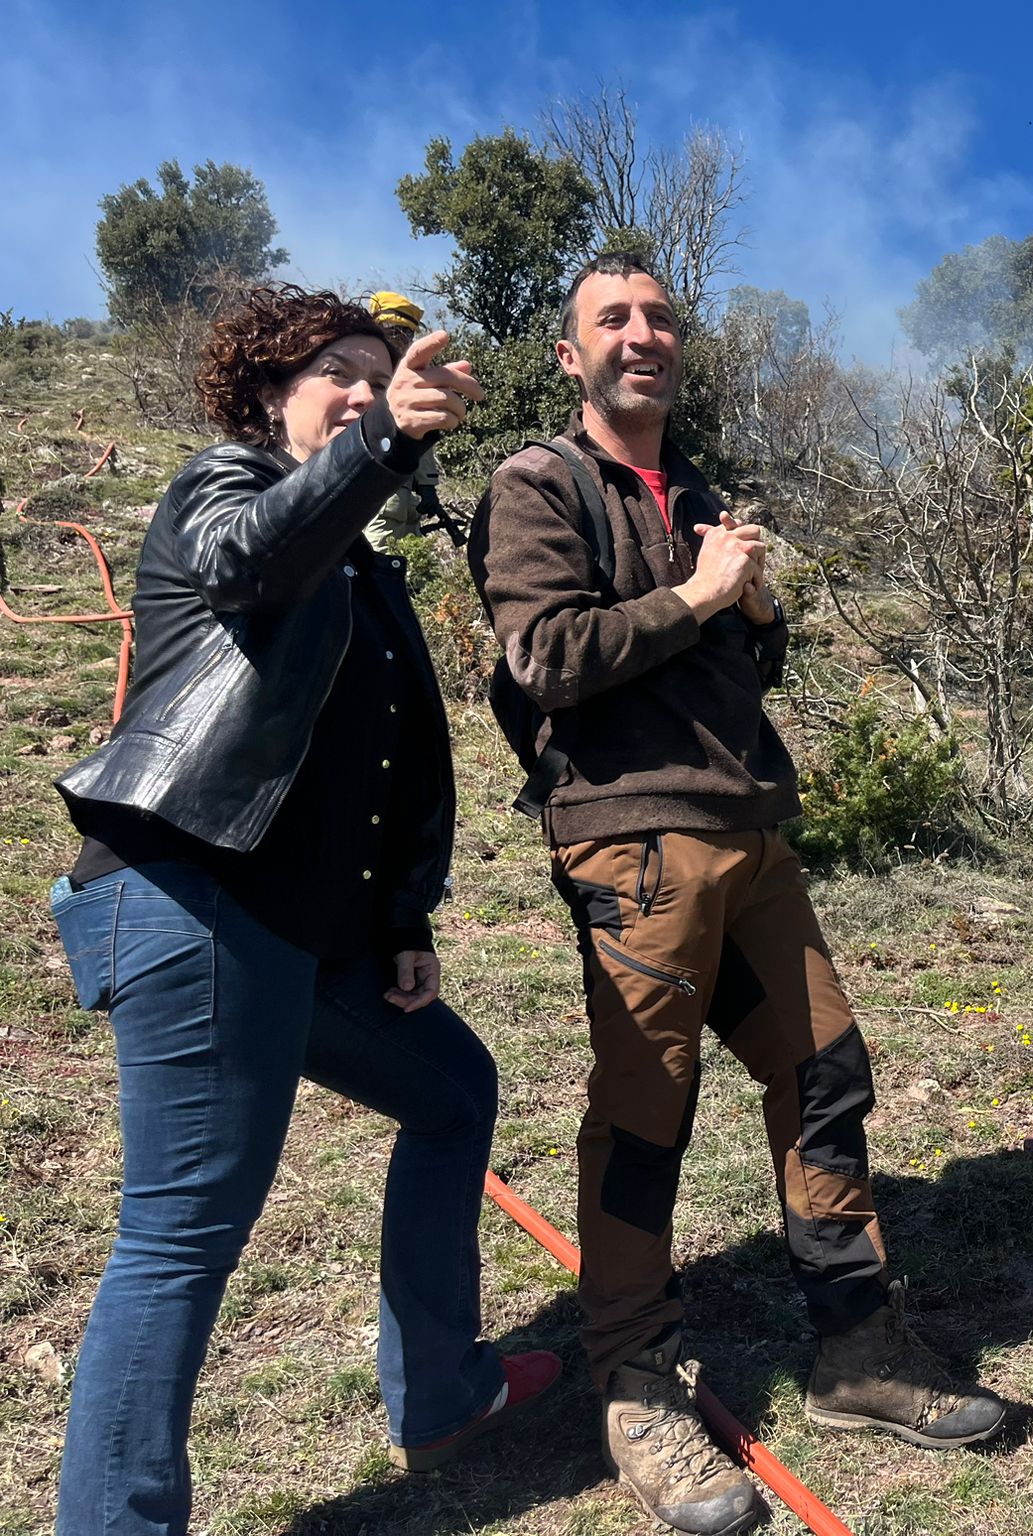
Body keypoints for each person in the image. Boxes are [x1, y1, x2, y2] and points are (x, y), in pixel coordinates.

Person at [468, 252, 1002, 1536]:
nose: (641, 334)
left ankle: (857, 1353)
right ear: (570, 353)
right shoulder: (539, 483)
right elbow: (542, 658)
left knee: (825, 1073)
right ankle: (635, 1385)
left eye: (658, 316)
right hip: (635, 849)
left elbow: (736, 662)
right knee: (647, 1118)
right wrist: (694, 593)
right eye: (613, 318)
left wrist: (749, 610)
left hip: (750, 834)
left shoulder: (695, 490)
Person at [49, 285, 559, 1536]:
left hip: (297, 930)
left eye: (378, 371)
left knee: (451, 1093)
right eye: (336, 369)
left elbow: (375, 767)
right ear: (269, 396)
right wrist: (381, 440)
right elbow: (247, 559)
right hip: (193, 901)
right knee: (180, 1234)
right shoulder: (217, 491)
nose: (362, 384)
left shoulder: (358, 562)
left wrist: (400, 924)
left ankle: (442, 1393)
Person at [362, 291, 450, 552]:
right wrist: (428, 485)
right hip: (387, 493)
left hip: (393, 494)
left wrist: (427, 486)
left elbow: (419, 433)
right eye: (398, 332)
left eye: (405, 334)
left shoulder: (376, 372)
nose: (402, 340)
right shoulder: (379, 375)